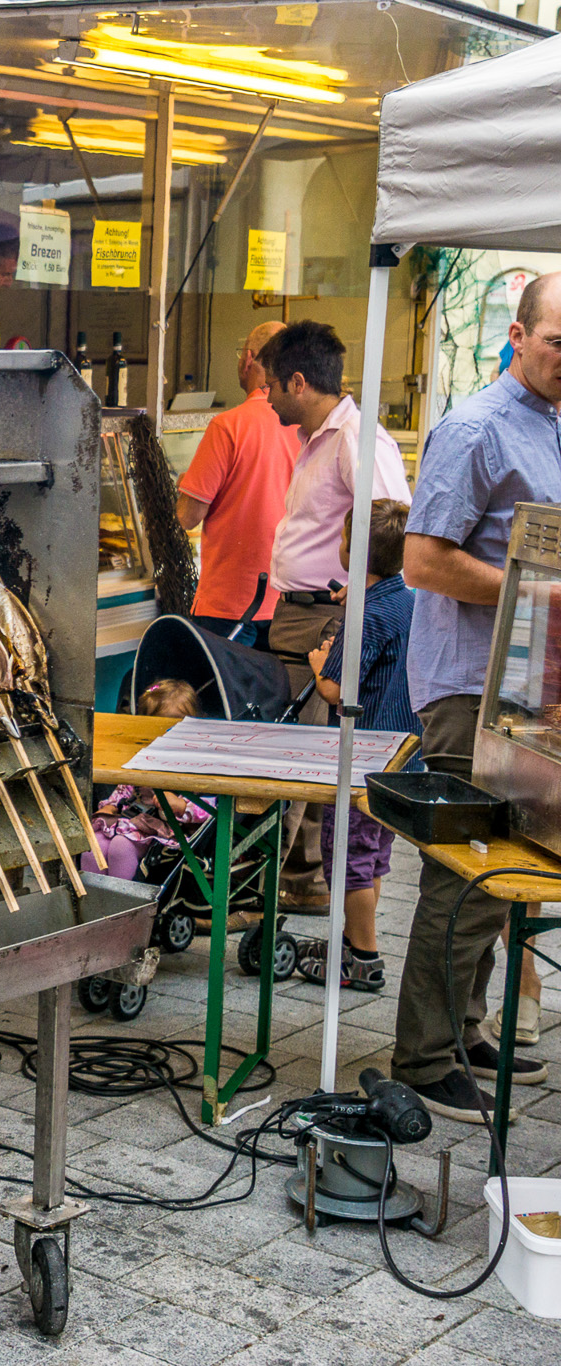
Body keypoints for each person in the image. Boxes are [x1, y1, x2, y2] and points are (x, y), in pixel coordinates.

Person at [393, 271, 561, 1122]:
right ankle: (423, 1060)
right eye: (560, 341)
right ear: (519, 337)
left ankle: (463, 1028)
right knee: (464, 876)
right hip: (466, 687)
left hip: (525, 692)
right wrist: (537, 592)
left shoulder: (551, 426)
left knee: (505, 871)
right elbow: (422, 562)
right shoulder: (476, 428)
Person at [260, 322, 411, 909]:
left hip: (324, 615)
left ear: (299, 382)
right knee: (298, 744)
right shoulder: (318, 436)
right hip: (298, 611)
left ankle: (295, 883)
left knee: (304, 751)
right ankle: (299, 880)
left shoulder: (355, 439)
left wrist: (360, 590)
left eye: (273, 384)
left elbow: (390, 520)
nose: (268, 396)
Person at [299, 500, 418, 994]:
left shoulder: (362, 614)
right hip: (401, 753)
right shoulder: (408, 599)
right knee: (372, 853)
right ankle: (354, 940)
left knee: (346, 854)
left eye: (345, 538)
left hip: (362, 755)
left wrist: (318, 661)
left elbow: (339, 691)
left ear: (357, 550)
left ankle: (363, 957)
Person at [176, 321, 298, 650]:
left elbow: (187, 517)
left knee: (225, 699)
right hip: (288, 603)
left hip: (229, 605)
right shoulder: (306, 426)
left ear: (247, 359)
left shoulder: (227, 426)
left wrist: (179, 490)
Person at [82, 679, 209, 881]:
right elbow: (125, 790)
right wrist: (110, 806)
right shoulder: (142, 756)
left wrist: (181, 805)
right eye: (156, 724)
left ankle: (124, 905)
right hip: (130, 819)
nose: (165, 732)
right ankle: (95, 902)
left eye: (175, 723)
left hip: (163, 831)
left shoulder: (194, 764)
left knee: (121, 847)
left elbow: (209, 808)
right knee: (93, 844)